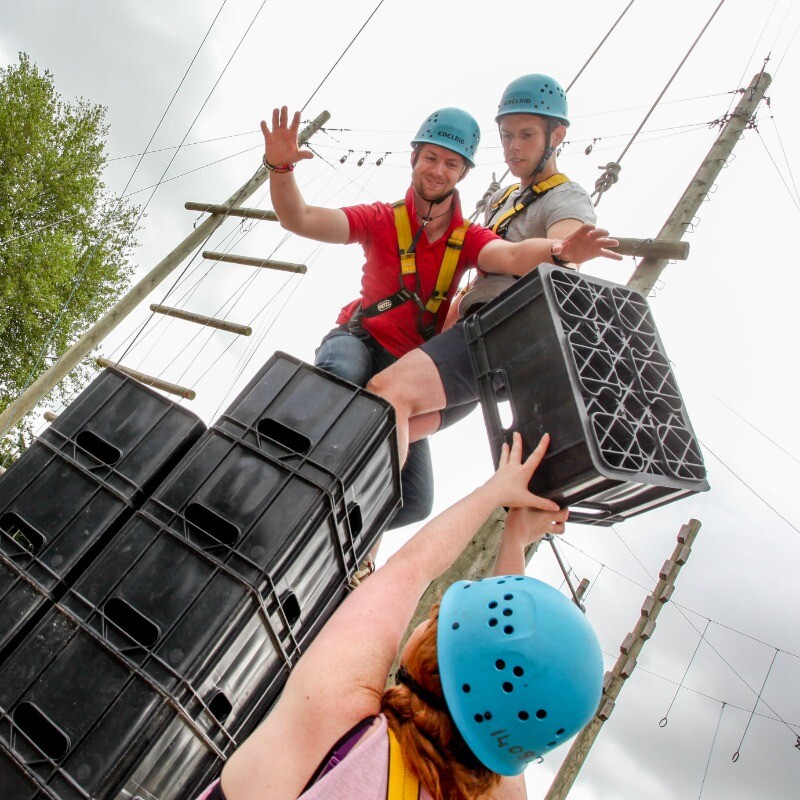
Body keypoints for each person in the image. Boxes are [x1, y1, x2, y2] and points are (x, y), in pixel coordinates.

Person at [261, 105, 619, 529]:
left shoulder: (466, 238)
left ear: (463, 174)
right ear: (414, 158)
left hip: (404, 362)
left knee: (414, 500)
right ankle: (272, 476)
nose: (438, 171)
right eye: (430, 158)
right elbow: (299, 218)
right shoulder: (380, 219)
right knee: (340, 378)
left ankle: (336, 538)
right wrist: (280, 168)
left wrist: (560, 251)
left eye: (451, 163)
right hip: (361, 339)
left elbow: (513, 255)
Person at [194, 433, 603, 800]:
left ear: (433, 658)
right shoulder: (501, 792)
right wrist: (514, 538)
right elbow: (512, 690)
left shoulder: (339, 730)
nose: (430, 614)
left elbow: (409, 569)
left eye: (440, 618)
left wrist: (494, 491)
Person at [366, 73, 620, 471]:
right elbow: (474, 280)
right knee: (387, 428)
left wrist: (568, 253)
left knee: (386, 394)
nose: (513, 148)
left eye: (526, 135)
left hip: (504, 335)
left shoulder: (565, 196)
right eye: (506, 136)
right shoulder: (504, 199)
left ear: (556, 136)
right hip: (475, 334)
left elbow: (565, 254)